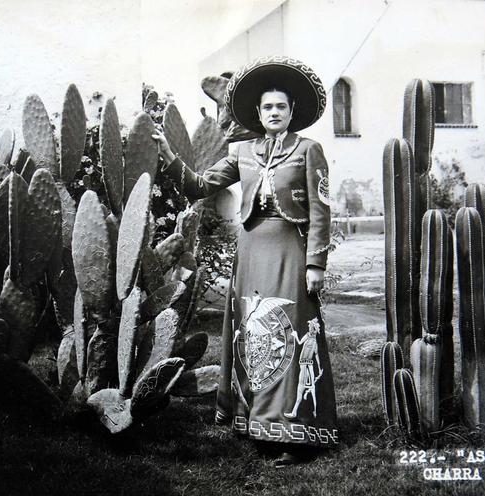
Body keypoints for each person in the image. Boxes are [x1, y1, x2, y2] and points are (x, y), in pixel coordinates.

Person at [152, 56, 338, 467]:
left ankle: (294, 430)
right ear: (258, 112)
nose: (274, 113)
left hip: (290, 251)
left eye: (281, 107)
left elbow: (321, 211)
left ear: (292, 111)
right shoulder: (242, 152)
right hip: (251, 251)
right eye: (268, 107)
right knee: (253, 331)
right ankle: (258, 423)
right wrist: (167, 153)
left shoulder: (309, 150)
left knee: (291, 331)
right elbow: (198, 185)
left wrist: (316, 264)